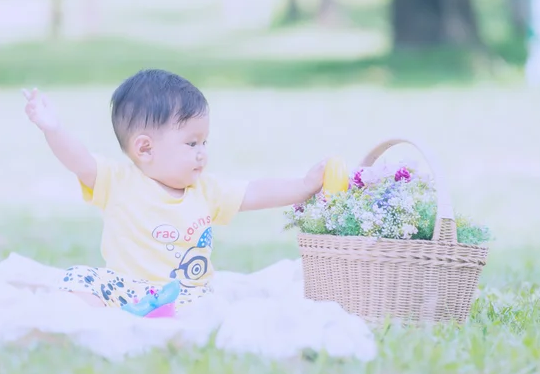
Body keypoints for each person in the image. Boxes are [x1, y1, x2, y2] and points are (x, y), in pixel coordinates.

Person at [22, 69, 325, 316]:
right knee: (77, 279)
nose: (202, 153)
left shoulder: (205, 190)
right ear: (145, 148)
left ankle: (153, 317)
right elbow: (79, 160)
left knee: (209, 308)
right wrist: (53, 129)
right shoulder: (117, 181)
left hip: (186, 295)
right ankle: (114, 317)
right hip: (128, 288)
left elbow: (255, 192)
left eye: (204, 142)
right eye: (191, 143)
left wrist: (303, 186)